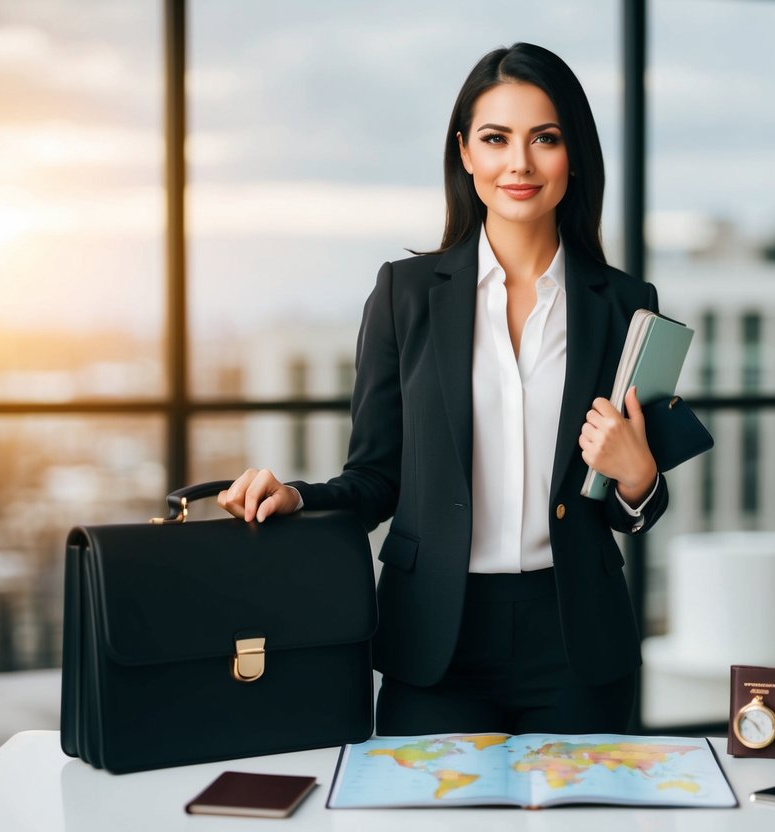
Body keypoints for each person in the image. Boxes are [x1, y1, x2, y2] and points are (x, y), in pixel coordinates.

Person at [218, 42, 670, 735]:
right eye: (495, 139)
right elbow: (375, 477)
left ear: (572, 156)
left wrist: (638, 477)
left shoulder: (624, 306)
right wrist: (299, 498)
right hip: (436, 642)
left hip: (576, 639)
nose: (518, 163)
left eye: (544, 139)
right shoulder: (405, 295)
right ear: (464, 153)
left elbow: (630, 503)